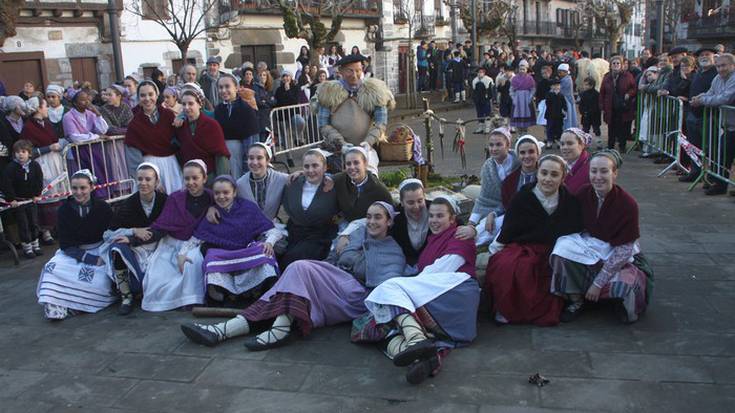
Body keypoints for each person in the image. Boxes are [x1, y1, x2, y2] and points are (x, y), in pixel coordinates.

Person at [180, 201, 405, 351]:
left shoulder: (393, 250)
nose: (372, 222)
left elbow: (383, 290)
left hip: (355, 297)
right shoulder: (356, 235)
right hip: (335, 283)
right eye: (369, 217)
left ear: (389, 221)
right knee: (291, 283)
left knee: (299, 268)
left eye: (378, 218)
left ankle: (274, 329)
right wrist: (322, 272)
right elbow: (331, 262)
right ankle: (223, 331)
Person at [359, 197, 480, 385]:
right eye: (431, 215)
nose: (434, 220)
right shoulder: (433, 240)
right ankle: (423, 357)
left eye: (440, 216)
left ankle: (416, 341)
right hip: (440, 291)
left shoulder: (460, 235)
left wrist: (406, 286)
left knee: (389, 289)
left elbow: (447, 266)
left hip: (456, 295)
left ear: (452, 219)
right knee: (382, 326)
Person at [550, 150, 653, 324]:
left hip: (618, 254)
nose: (598, 177)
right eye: (593, 171)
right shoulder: (583, 193)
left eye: (604, 171)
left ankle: (609, 298)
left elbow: (624, 250)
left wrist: (598, 283)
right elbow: (564, 216)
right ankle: (577, 300)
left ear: (614, 173)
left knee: (627, 286)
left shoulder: (628, 204)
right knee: (561, 251)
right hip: (591, 247)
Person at [485, 155, 583, 326]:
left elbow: (574, 229)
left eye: (554, 175)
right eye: (544, 173)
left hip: (553, 250)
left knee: (541, 272)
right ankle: (507, 309)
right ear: (537, 173)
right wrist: (495, 249)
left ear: (562, 178)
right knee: (507, 266)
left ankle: (532, 312)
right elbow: (509, 228)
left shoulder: (569, 201)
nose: (547, 179)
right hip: (522, 246)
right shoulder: (523, 197)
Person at [36, 169, 115, 320]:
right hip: (73, 252)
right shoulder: (64, 210)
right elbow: (65, 243)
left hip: (100, 250)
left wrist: (100, 257)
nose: (79, 192)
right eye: (75, 188)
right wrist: (88, 259)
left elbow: (111, 235)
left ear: (91, 187)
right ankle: (58, 305)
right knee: (51, 268)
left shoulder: (103, 207)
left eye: (83, 188)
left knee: (101, 279)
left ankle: (77, 304)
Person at [191, 175, 280, 304]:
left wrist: (269, 242)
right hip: (222, 254)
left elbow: (271, 230)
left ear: (234, 192)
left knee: (264, 252)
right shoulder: (211, 213)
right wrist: (183, 253)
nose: (221, 197)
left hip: (246, 250)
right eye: (217, 193)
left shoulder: (248, 208)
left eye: (226, 192)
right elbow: (198, 237)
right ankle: (223, 294)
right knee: (210, 258)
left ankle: (259, 289)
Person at [141, 160, 213, 311]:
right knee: (158, 275)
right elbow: (163, 225)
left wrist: (213, 207)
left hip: (196, 243)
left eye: (195, 178)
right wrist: (132, 237)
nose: (191, 182)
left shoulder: (212, 198)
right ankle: (170, 303)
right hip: (171, 243)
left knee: (192, 262)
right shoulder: (175, 198)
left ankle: (190, 300)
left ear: (204, 178)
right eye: (187, 178)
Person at [106, 163, 168, 315]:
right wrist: (133, 231)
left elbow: (165, 229)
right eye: (140, 179)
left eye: (148, 179)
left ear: (156, 181)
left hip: (161, 245)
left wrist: (134, 239)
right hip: (138, 249)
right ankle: (126, 296)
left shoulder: (165, 201)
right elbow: (108, 233)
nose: (143, 183)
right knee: (117, 247)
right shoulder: (129, 203)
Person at [316, 54, 394, 173]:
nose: (354, 75)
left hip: (365, 150)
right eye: (350, 71)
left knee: (368, 181)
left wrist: (368, 142)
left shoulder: (374, 91)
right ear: (341, 71)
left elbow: (381, 122)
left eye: (358, 70)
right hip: (335, 151)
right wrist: (341, 144)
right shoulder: (328, 92)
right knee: (336, 183)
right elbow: (323, 124)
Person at [279, 149, 339, 268]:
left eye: (315, 165)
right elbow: (287, 206)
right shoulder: (294, 183)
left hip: (320, 235)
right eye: (306, 166)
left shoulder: (333, 186)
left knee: (296, 260)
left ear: (325, 167)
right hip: (295, 233)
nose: (310, 170)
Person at [21, 97, 67, 244]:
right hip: (42, 163)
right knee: (46, 193)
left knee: (59, 192)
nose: (47, 109)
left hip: (54, 162)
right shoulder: (28, 127)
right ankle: (46, 231)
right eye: (45, 106)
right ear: (38, 109)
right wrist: (48, 148)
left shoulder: (46, 124)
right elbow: (28, 151)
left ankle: (60, 226)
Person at [124, 80, 183, 194]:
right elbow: (133, 154)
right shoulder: (135, 123)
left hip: (170, 166)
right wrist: (144, 177)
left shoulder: (169, 115)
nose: (147, 98)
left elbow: (180, 140)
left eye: (150, 94)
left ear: (156, 95)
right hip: (148, 167)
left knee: (174, 200)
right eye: (142, 95)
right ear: (138, 97)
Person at [690, 53, 735, 195]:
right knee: (723, 156)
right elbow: (710, 93)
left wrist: (702, 101)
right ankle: (720, 185)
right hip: (728, 125)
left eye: (724, 65)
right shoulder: (717, 78)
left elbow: (725, 98)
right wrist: (700, 97)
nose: (721, 69)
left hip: (732, 124)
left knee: (725, 154)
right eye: (718, 66)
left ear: (732, 65)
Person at [469, 127, 519, 243]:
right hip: (493, 206)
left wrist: (495, 213)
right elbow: (484, 198)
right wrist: (471, 222)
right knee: (483, 226)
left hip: (513, 208)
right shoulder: (488, 167)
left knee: (490, 228)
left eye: (498, 145)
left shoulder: (519, 162)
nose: (494, 149)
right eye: (491, 145)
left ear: (508, 145)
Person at [679, 48, 718, 183]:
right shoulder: (698, 73)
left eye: (707, 54)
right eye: (701, 55)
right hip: (693, 115)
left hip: (708, 116)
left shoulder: (716, 73)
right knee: (693, 146)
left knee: (711, 148)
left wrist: (701, 101)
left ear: (714, 56)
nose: (704, 57)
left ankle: (712, 177)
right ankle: (695, 171)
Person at [175, 90, 230, 183]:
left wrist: (222, 180)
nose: (187, 107)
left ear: (199, 105)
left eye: (191, 103)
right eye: (184, 104)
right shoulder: (180, 126)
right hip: (189, 178)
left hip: (209, 177)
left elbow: (220, 155)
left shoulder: (211, 125)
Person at [2, 140, 44, 258]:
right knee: (23, 224)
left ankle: (36, 245)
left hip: (31, 200)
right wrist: (11, 199)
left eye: (23, 152)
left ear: (29, 153)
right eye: (17, 152)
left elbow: (38, 180)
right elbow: (7, 184)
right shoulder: (11, 168)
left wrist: (37, 194)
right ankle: (27, 248)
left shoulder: (35, 166)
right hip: (19, 202)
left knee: (33, 223)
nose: (20, 154)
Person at [214, 75, 260, 179]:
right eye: (220, 87)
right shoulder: (219, 109)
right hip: (224, 157)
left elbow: (251, 142)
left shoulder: (245, 109)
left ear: (236, 88)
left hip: (239, 156)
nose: (223, 90)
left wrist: (247, 167)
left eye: (227, 86)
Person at [600, 56, 637, 153]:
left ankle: (622, 145)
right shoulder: (607, 77)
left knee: (623, 127)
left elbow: (633, 88)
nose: (616, 65)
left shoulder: (627, 76)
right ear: (610, 65)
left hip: (623, 105)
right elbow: (602, 92)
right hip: (610, 105)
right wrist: (602, 105)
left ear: (621, 65)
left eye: (618, 63)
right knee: (611, 127)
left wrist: (629, 94)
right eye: (614, 63)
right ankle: (610, 146)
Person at [500, 135, 544, 209]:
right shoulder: (509, 181)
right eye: (522, 153)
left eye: (531, 152)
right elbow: (506, 205)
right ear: (518, 155)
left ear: (538, 153)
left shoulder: (547, 177)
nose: (527, 156)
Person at [560, 128, 593, 194]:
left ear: (582, 145)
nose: (565, 147)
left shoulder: (591, 167)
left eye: (570, 143)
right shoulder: (560, 164)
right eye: (562, 144)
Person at [510, 63, 537, 134]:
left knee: (526, 114)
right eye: (520, 69)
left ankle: (525, 132)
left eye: (523, 69)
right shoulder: (515, 78)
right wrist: (513, 98)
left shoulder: (530, 78)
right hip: (518, 99)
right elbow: (511, 89)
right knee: (517, 114)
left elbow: (533, 89)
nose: (522, 71)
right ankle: (519, 133)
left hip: (526, 99)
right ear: (518, 70)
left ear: (526, 70)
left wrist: (530, 97)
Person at [471, 67, 494, 134]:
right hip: (478, 100)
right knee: (479, 113)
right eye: (478, 72)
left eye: (481, 72)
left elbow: (490, 91)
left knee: (487, 113)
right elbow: (474, 91)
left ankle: (487, 128)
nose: (479, 74)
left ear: (484, 73)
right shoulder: (475, 80)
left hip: (486, 99)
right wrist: (475, 99)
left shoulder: (488, 80)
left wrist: (489, 98)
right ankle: (480, 128)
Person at [557, 63, 577, 130]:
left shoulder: (566, 80)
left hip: (567, 100)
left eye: (560, 72)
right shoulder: (567, 78)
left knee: (567, 117)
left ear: (565, 72)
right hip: (567, 99)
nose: (559, 73)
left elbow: (561, 90)